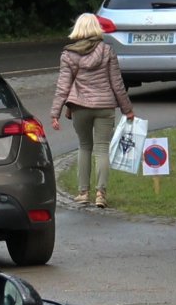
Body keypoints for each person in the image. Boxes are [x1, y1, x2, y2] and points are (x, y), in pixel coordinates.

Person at [49, 12, 135, 208]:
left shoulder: (68, 55)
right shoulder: (107, 51)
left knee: (84, 146)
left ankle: (83, 192)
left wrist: (55, 113)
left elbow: (63, 86)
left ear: (77, 29)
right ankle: (101, 194)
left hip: (80, 108)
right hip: (105, 107)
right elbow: (117, 84)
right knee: (102, 149)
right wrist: (127, 109)